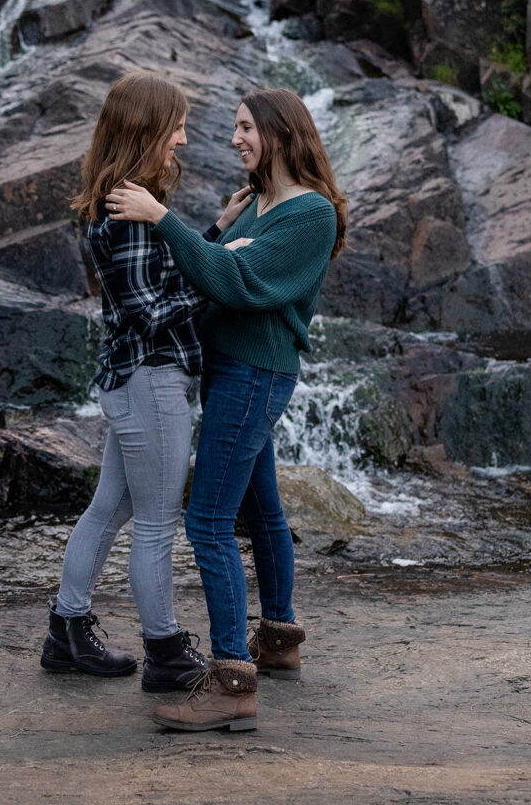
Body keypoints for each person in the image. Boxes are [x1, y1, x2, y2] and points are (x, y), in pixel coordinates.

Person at [106, 87, 348, 731]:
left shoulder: (309, 215)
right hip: (231, 371)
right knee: (263, 509)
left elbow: (235, 282)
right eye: (234, 128)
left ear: (279, 131)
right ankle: (279, 641)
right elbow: (210, 266)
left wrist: (163, 219)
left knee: (208, 522)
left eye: (245, 128)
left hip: (252, 373)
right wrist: (215, 232)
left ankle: (232, 680)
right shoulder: (256, 204)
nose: (235, 138)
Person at [40, 71, 252, 693]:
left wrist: (209, 234)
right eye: (176, 127)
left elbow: (151, 288)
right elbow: (150, 311)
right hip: (152, 381)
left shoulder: (125, 200)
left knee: (112, 507)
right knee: (157, 523)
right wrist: (224, 265)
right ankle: (165, 652)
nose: (183, 140)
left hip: (132, 380)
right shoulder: (131, 211)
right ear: (145, 131)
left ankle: (67, 630)